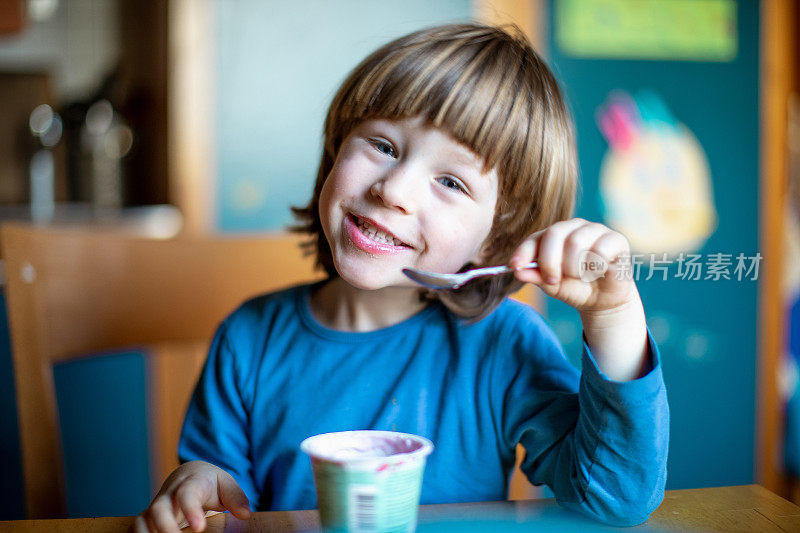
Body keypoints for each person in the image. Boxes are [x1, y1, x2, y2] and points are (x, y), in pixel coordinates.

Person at [134, 22, 668, 532]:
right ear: (335, 150)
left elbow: (616, 499)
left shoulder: (505, 345)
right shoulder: (249, 338)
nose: (394, 190)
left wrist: (614, 316)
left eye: (451, 182)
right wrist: (203, 486)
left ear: (496, 238)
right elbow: (226, 504)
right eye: (384, 146)